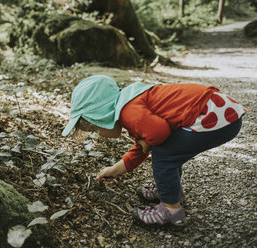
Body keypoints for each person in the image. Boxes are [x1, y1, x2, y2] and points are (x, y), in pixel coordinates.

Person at [62, 75, 246, 231]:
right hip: (220, 112)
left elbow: (158, 134)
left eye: (95, 128)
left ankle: (171, 211)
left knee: (164, 155)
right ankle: (169, 191)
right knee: (168, 150)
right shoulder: (129, 103)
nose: (99, 134)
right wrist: (114, 169)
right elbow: (141, 148)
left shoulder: (128, 111)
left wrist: (148, 142)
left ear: (101, 115)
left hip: (213, 117)